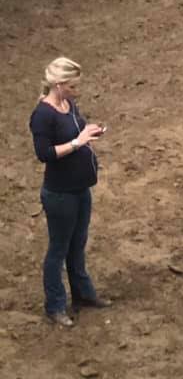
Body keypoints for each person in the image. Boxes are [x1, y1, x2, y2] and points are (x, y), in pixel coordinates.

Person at [30, 57, 111, 326]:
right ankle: (55, 305)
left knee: (78, 244)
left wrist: (90, 132)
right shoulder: (43, 115)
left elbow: (76, 131)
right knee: (58, 250)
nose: (77, 90)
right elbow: (44, 153)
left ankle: (82, 294)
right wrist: (78, 142)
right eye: (73, 86)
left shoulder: (68, 104)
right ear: (59, 85)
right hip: (60, 194)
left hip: (79, 188)